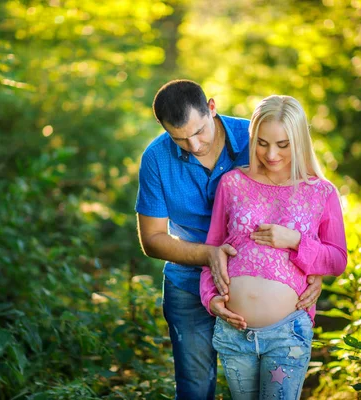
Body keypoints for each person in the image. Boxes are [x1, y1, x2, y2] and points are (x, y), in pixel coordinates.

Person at [136, 80, 323, 399]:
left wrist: (312, 266)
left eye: (199, 132)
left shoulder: (257, 139)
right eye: (179, 138)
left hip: (265, 285)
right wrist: (209, 255)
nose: (193, 145)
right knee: (194, 386)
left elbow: (306, 199)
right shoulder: (156, 158)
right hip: (188, 286)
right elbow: (151, 239)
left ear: (211, 107)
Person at [199, 94, 348, 399]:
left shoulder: (320, 192)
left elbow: (337, 259)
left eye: (283, 144)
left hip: (287, 333)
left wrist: (295, 242)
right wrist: (210, 299)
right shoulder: (232, 183)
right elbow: (213, 250)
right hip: (233, 331)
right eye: (263, 142)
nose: (271, 154)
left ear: (299, 141)